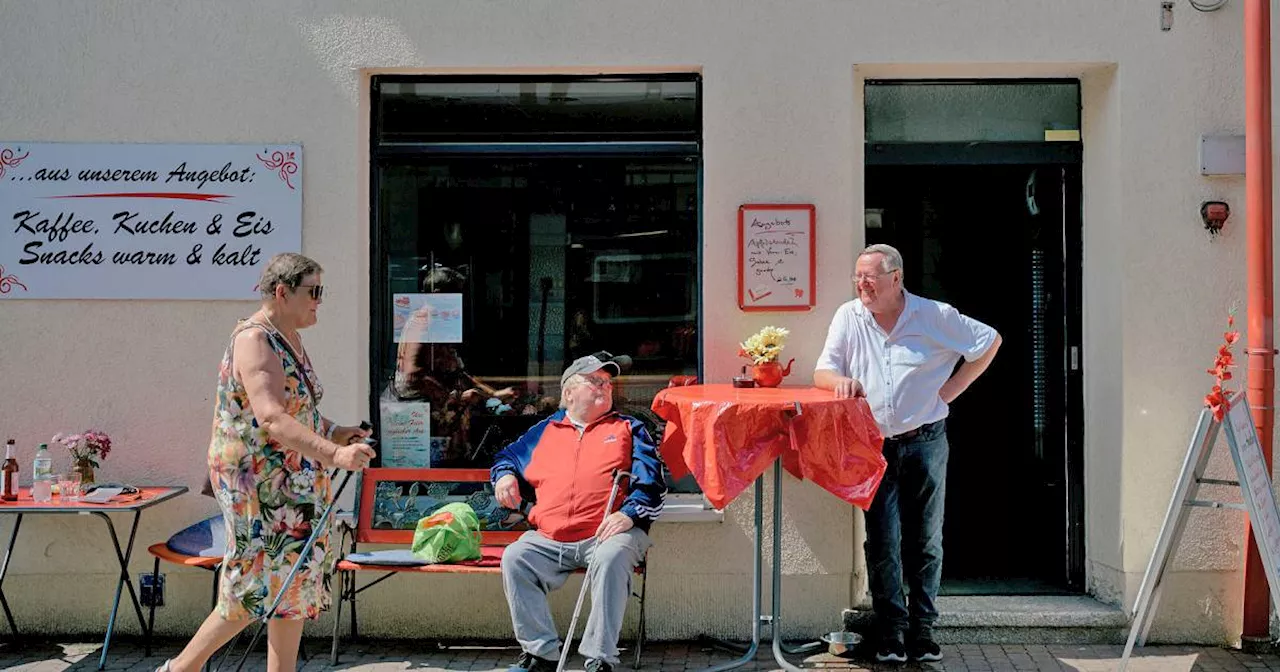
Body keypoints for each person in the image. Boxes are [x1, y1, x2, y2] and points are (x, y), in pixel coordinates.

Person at [157, 253, 377, 672]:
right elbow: (272, 417)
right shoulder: (254, 340)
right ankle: (180, 669)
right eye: (314, 291)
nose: (319, 301)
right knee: (250, 587)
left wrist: (334, 431)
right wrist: (335, 455)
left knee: (292, 583)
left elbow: (298, 411)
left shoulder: (288, 335)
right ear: (282, 292)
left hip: (291, 483)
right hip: (258, 485)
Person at [814, 244, 1001, 665]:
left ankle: (923, 633)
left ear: (895, 278)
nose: (862, 285)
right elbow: (821, 370)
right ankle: (890, 634)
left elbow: (989, 341)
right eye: (857, 277)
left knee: (926, 540)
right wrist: (839, 381)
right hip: (873, 445)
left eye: (870, 277)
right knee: (882, 542)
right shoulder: (849, 316)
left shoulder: (933, 315)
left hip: (926, 440)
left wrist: (950, 392)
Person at [491, 352, 666, 672]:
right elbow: (506, 457)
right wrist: (503, 475)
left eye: (608, 382)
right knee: (516, 556)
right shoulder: (544, 431)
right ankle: (540, 653)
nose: (606, 387)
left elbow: (652, 483)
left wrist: (628, 514)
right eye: (595, 381)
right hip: (549, 536)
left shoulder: (630, 428)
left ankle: (600, 658)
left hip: (609, 534)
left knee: (612, 555)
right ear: (569, 392)